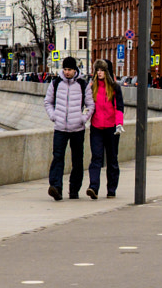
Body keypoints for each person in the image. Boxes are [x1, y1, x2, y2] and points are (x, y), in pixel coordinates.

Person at [45, 56, 89, 200]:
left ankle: (74, 190)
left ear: (75, 70)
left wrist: (82, 119)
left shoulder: (83, 84)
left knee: (77, 160)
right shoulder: (56, 83)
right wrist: (54, 116)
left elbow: (91, 106)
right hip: (60, 128)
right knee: (58, 158)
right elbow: (48, 102)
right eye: (65, 69)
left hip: (77, 129)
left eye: (69, 69)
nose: (67, 72)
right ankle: (56, 188)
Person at [87, 58, 125, 198]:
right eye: (97, 70)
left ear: (107, 72)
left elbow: (119, 107)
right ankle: (93, 188)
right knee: (96, 158)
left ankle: (111, 189)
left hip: (112, 128)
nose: (100, 73)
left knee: (112, 159)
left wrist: (119, 123)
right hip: (96, 127)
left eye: (102, 70)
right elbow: (88, 105)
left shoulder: (115, 87)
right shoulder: (92, 87)